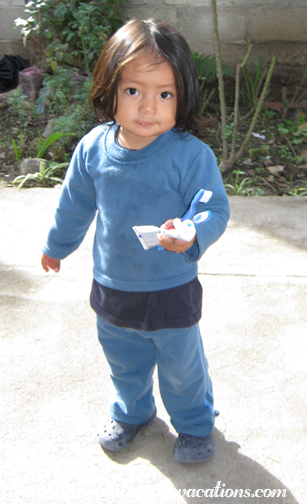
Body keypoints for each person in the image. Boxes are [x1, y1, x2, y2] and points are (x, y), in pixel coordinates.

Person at [41, 18, 230, 464]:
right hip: (113, 285)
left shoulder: (190, 155)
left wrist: (192, 233)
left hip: (171, 288)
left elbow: (213, 209)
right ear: (110, 88)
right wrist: (56, 245)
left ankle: (195, 425)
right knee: (123, 359)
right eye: (133, 91)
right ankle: (132, 412)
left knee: (182, 367)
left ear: (181, 96)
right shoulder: (93, 149)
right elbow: (75, 204)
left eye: (164, 93)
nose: (149, 107)